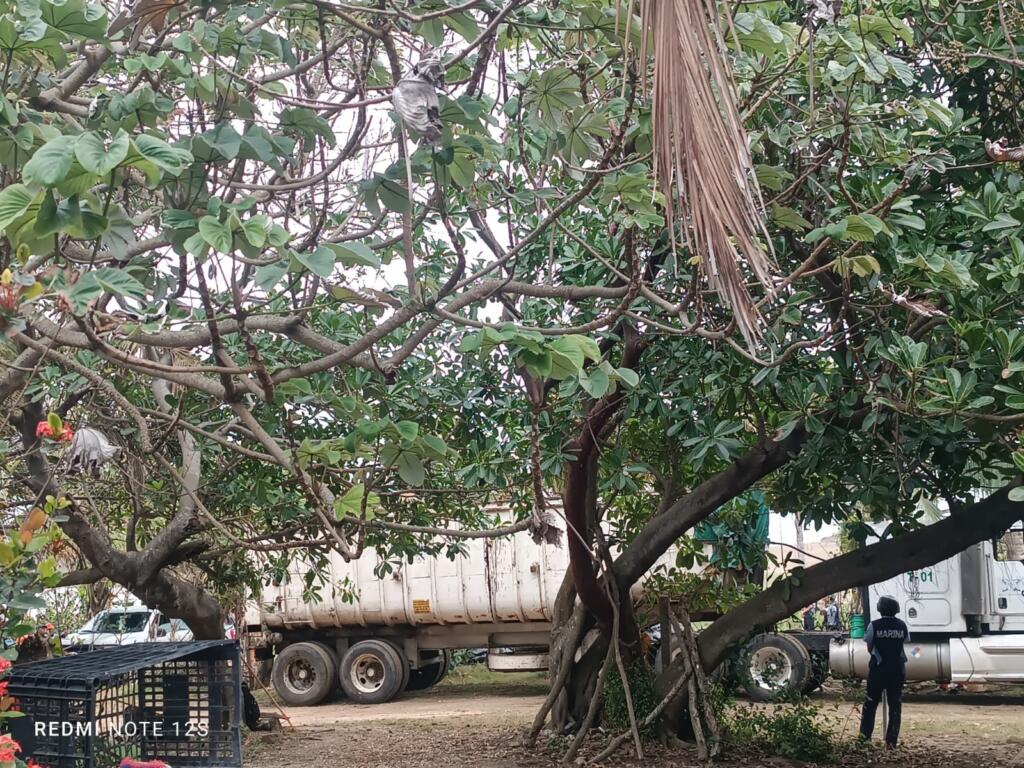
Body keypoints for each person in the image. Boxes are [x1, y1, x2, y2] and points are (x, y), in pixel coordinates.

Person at [859, 595, 910, 748]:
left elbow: (869, 647)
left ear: (879, 609)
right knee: (895, 705)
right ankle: (891, 742)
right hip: (897, 670)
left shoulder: (873, 625)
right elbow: (903, 645)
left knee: (870, 704)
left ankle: (864, 739)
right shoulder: (902, 625)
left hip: (878, 670)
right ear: (896, 610)